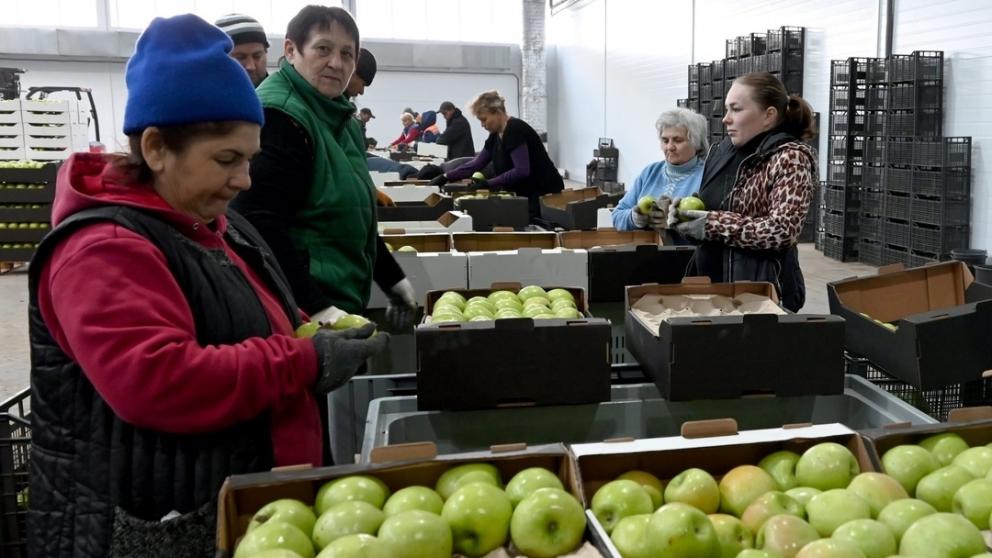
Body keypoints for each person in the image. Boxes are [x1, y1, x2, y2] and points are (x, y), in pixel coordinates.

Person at [26, 15, 388, 558]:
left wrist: (313, 331)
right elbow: (158, 380)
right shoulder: (103, 250)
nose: (244, 179)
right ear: (155, 148)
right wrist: (303, 362)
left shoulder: (215, 224)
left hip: (252, 509)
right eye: (226, 160)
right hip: (162, 525)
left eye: (249, 160)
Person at [231, 6, 415, 330]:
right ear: (291, 50)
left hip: (337, 310)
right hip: (295, 320)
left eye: (347, 53)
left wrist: (392, 278)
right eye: (323, 49)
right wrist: (317, 308)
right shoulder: (280, 117)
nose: (336, 63)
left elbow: (349, 216)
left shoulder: (340, 120)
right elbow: (258, 222)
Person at [671, 72, 817, 311]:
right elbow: (710, 214)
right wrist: (685, 221)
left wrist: (712, 224)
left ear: (768, 116)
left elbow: (781, 231)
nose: (726, 119)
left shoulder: (790, 158)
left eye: (736, 110)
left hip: (759, 295)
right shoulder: (721, 153)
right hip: (710, 287)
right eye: (727, 110)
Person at [430, 90, 564, 220]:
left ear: (497, 112)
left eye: (484, 119)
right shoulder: (495, 135)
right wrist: (445, 176)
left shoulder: (514, 130)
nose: (482, 125)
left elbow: (521, 170)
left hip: (543, 194)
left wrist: (488, 183)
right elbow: (477, 163)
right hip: (525, 194)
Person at [612, 108, 708, 231]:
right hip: (645, 248)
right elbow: (617, 215)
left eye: (678, 140)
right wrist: (634, 218)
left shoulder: (707, 175)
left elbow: (712, 228)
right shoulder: (650, 172)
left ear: (696, 142)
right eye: (665, 140)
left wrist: (679, 225)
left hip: (685, 251)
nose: (670, 147)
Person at [215, 13, 269, 86]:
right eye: (240, 58)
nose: (251, 66)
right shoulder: (202, 95)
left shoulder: (282, 93)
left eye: (257, 56)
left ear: (265, 52)